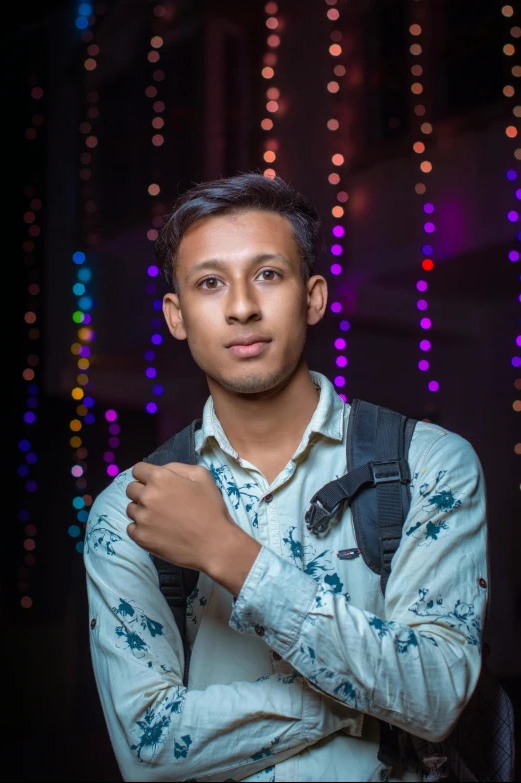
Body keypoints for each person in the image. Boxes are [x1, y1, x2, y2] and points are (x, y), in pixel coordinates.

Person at [84, 173, 488, 782]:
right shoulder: (131, 511)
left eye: (268, 274)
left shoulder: (427, 465)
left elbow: (436, 696)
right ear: (177, 315)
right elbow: (148, 751)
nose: (242, 306)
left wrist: (230, 556)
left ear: (313, 298)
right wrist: (357, 707)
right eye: (210, 282)